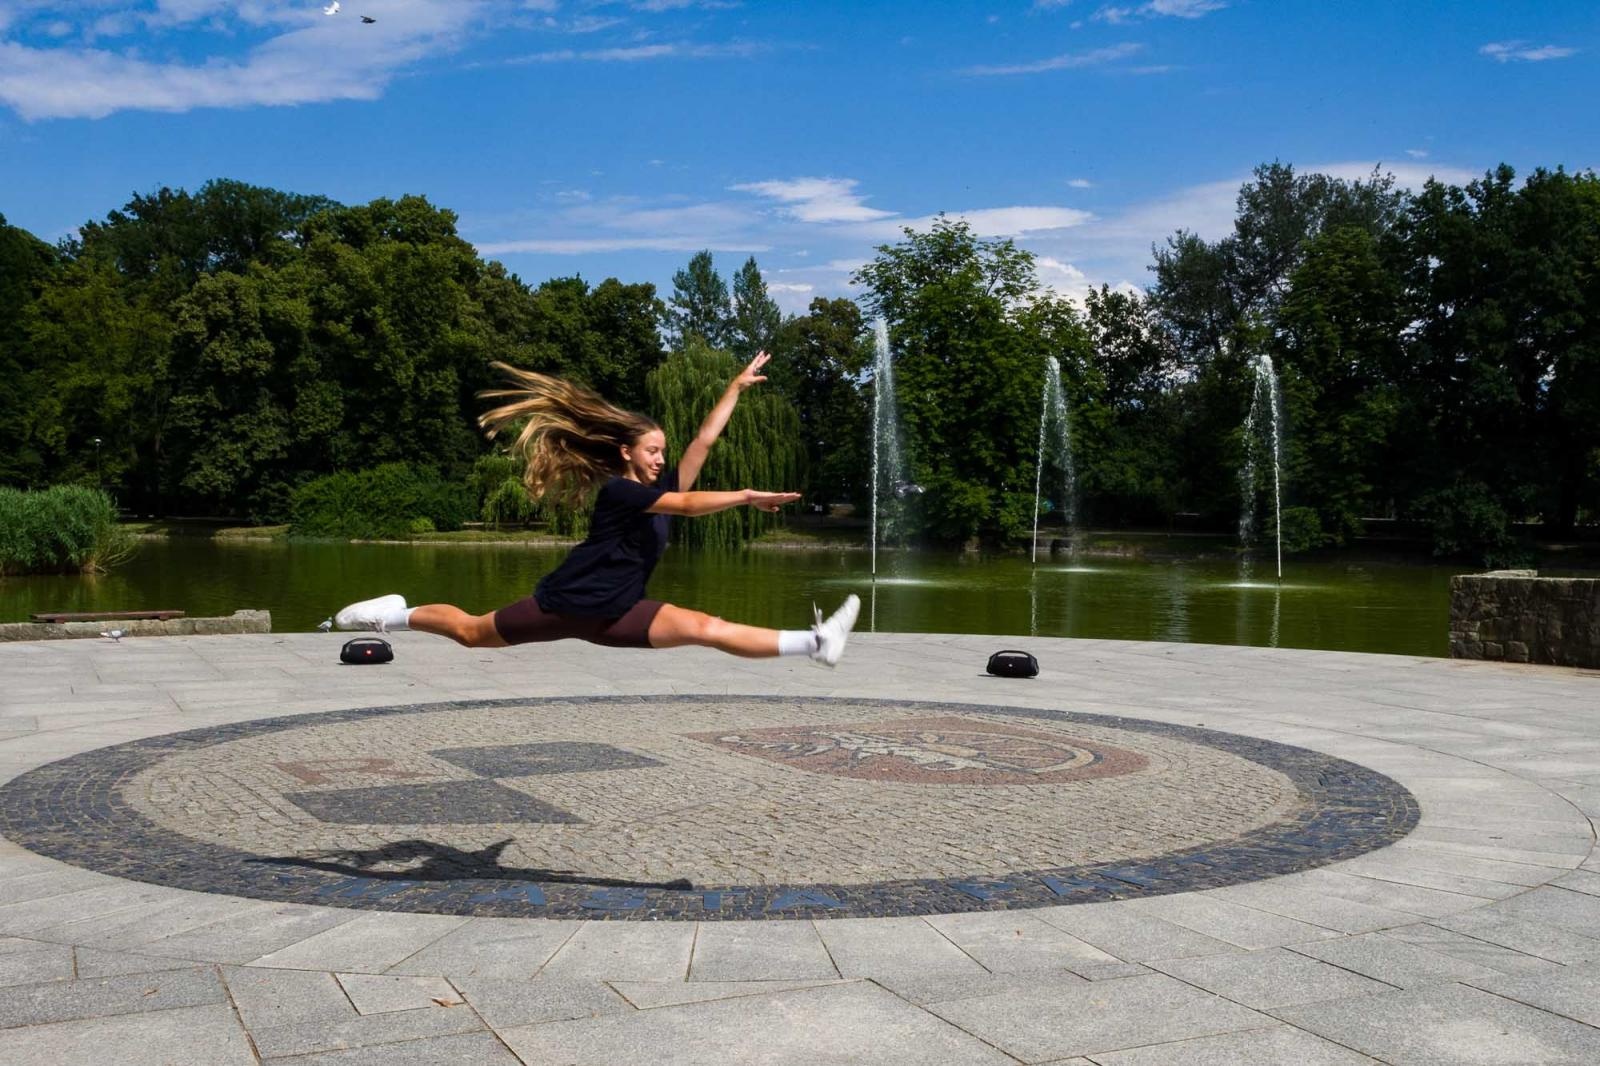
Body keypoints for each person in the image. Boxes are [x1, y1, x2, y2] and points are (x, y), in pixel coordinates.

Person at [331, 351, 860, 665]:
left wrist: (734, 388)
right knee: (471, 632)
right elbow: (689, 505)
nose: (661, 458)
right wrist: (747, 496)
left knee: (704, 625)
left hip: (617, 612)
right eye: (652, 450)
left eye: (662, 451)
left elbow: (703, 440)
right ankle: (392, 614)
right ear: (626, 451)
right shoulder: (620, 490)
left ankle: (816, 644)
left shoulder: (658, 488)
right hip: (567, 602)